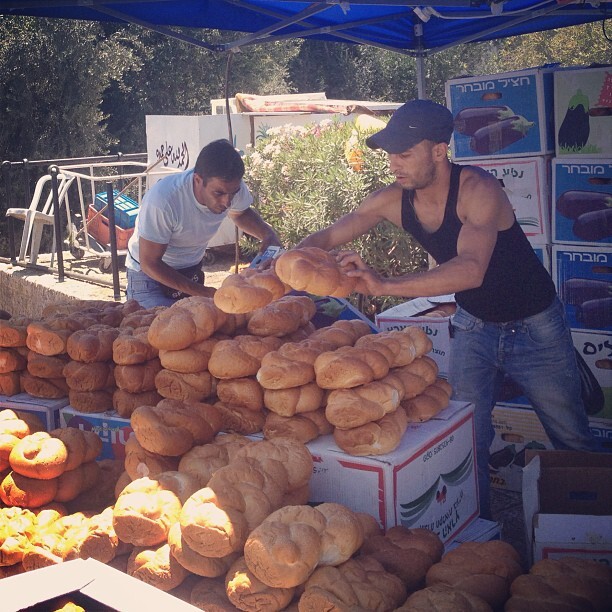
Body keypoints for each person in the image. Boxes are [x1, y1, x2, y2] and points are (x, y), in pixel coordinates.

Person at [297, 98, 598, 519]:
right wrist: (289, 258)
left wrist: (385, 284)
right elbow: (333, 232)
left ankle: (592, 534)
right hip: (475, 326)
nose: (393, 165)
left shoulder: (479, 191)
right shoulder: (394, 198)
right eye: (389, 155)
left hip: (535, 327)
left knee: (571, 437)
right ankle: (482, 532)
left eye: (404, 154)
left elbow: (471, 269)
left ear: (439, 151)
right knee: (466, 439)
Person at [126, 139, 281, 308]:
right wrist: (204, 292)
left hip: (191, 272)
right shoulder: (163, 200)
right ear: (198, 180)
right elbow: (150, 262)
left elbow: (240, 213)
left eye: (233, 193)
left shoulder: (231, 187)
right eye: (219, 193)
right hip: (150, 278)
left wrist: (268, 235)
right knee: (159, 331)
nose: (227, 202)